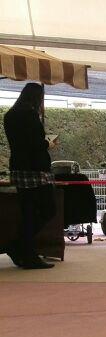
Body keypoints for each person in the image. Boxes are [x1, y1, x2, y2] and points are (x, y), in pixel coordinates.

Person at [2, 83, 57, 269]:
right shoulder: (31, 116)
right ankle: (19, 246)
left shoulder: (10, 115)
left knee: (28, 212)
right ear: (37, 97)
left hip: (18, 168)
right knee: (48, 209)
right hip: (35, 170)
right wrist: (48, 144)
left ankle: (24, 250)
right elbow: (35, 145)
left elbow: (20, 144)